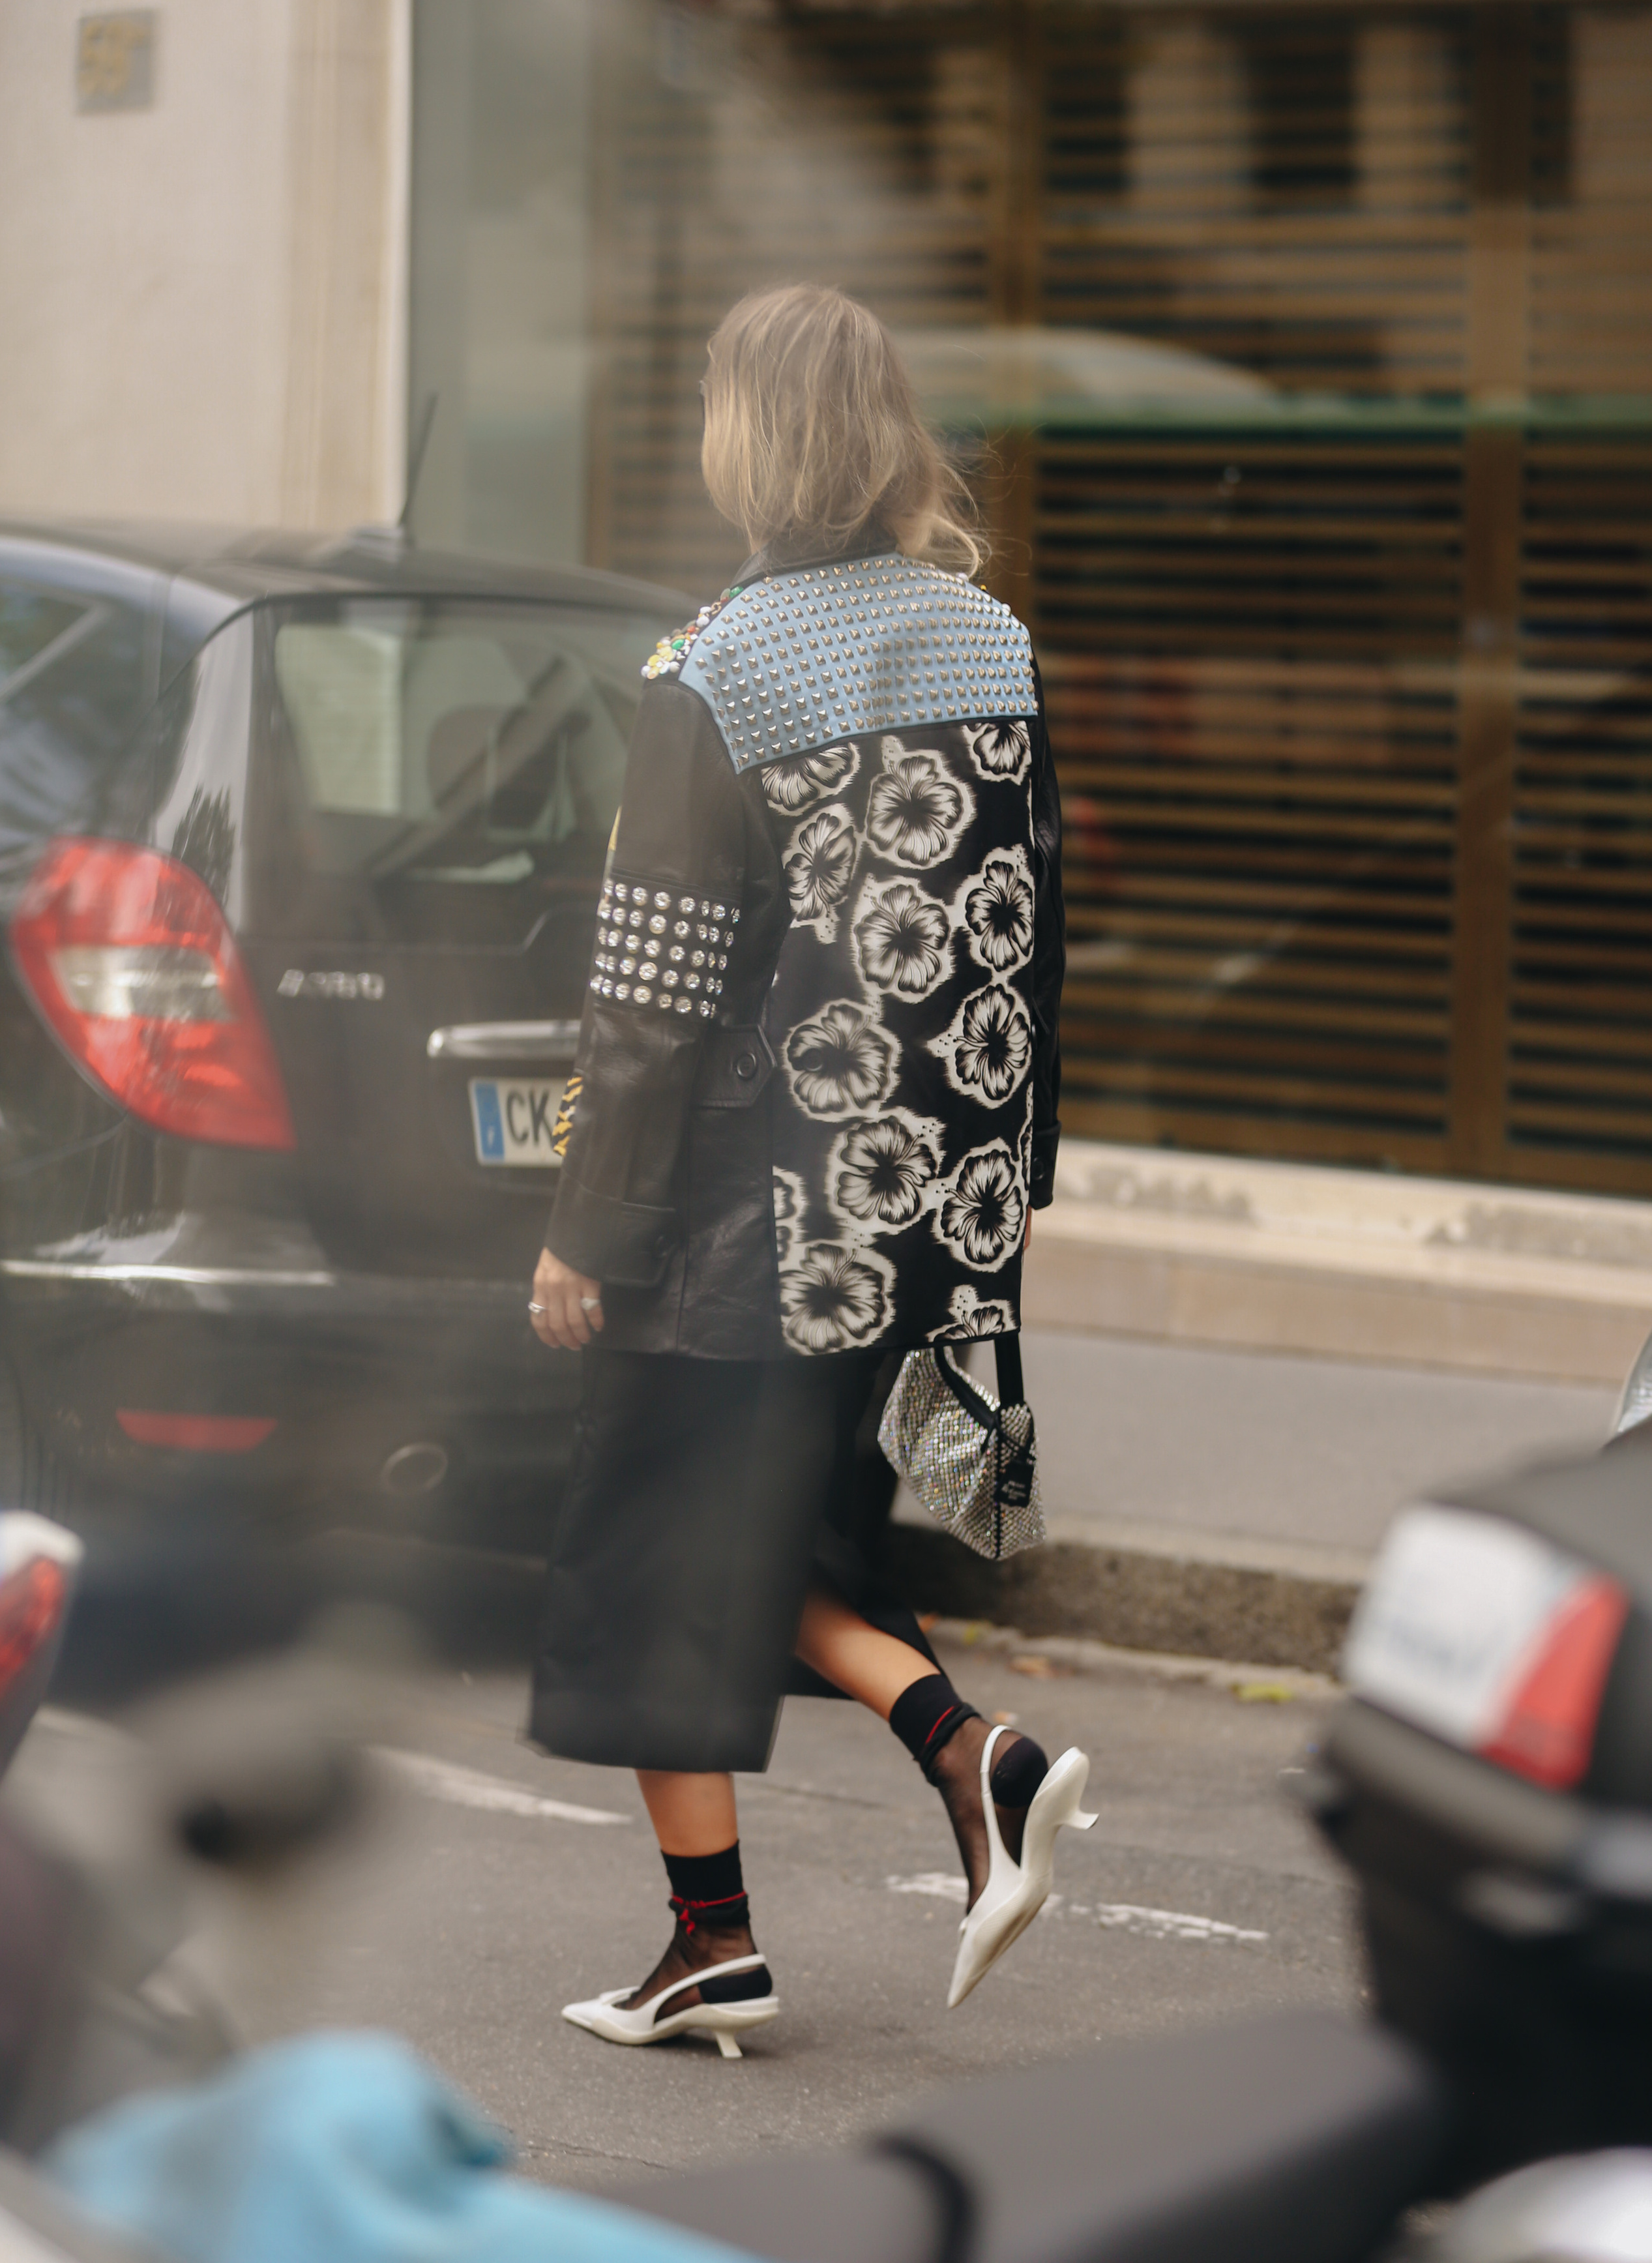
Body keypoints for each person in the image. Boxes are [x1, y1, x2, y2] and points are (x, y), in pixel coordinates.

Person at [527, 281, 1086, 2057]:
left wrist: (583, 1235)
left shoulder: (715, 673)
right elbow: (1032, 937)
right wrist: (1010, 1187)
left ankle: (950, 1771)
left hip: (747, 1207)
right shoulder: (992, 644)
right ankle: (737, 1927)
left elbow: (653, 999)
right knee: (764, 1536)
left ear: (745, 439)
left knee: (652, 1547)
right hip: (921, 1206)